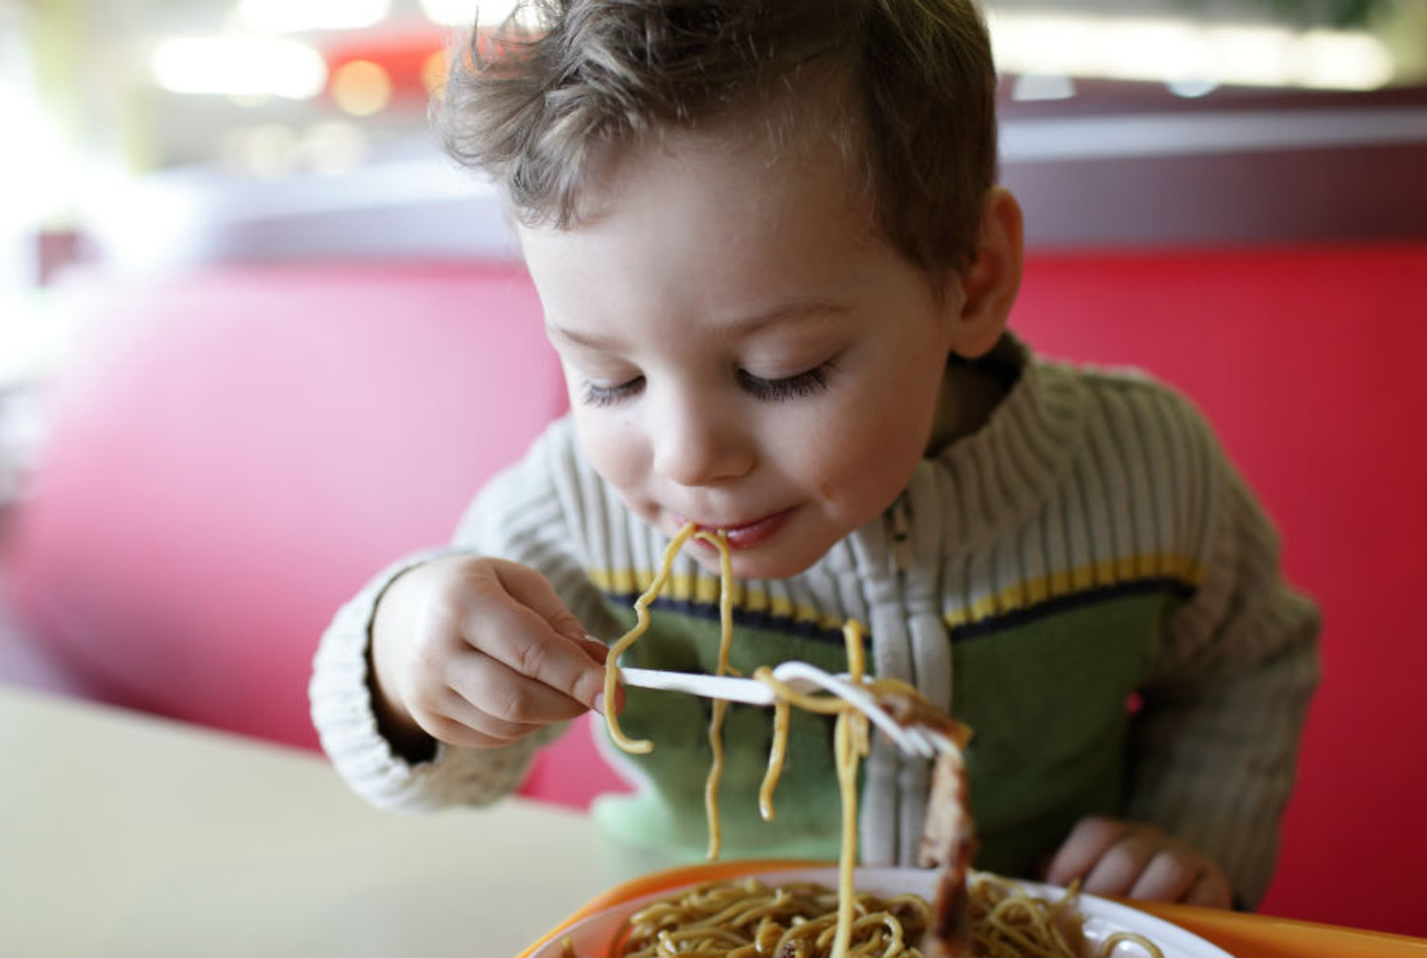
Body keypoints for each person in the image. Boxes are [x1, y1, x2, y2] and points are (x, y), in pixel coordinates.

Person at [310, 0, 1318, 912]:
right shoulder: (576, 505)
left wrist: (1185, 835)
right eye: (611, 379)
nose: (688, 456)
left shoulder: (1144, 469)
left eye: (781, 371)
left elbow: (1247, 664)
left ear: (971, 279)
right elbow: (454, 769)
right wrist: (406, 660)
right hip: (690, 929)